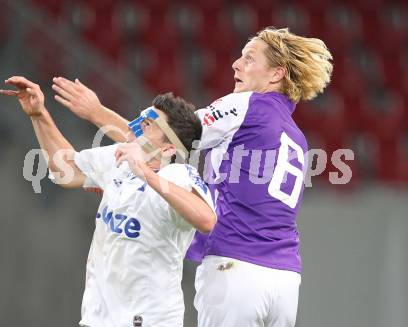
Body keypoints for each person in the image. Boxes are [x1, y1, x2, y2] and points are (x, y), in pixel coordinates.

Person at [51, 27, 333, 327]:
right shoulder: (298, 138)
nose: (236, 65)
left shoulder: (247, 105)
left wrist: (97, 112)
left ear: (276, 75)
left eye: (249, 59)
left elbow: (165, 137)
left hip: (236, 268)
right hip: (286, 279)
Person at [0, 76, 216, 327]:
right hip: (97, 317)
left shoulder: (178, 174)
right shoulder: (119, 160)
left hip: (149, 320)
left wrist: (145, 173)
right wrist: (39, 115)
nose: (135, 128)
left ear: (168, 149)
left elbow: (206, 220)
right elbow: (64, 168)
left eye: (147, 125)